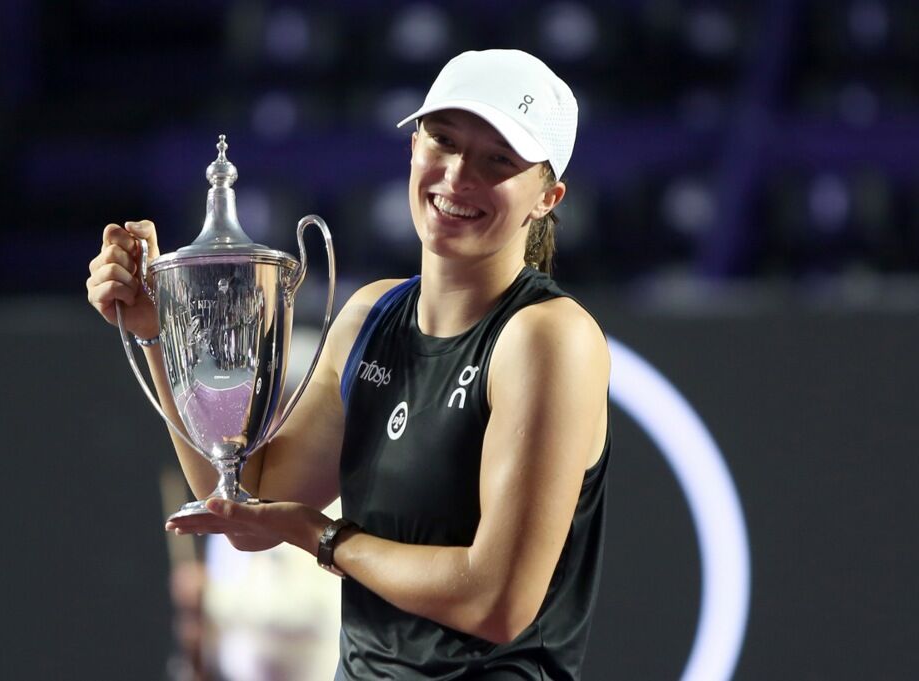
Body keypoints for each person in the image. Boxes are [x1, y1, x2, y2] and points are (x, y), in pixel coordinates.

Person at [87, 49, 610, 680]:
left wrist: (323, 537)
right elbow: (249, 505)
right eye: (443, 140)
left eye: (498, 159)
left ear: (547, 197)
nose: (457, 175)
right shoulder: (370, 317)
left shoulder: (548, 337)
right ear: (413, 148)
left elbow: (495, 602)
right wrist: (159, 329)